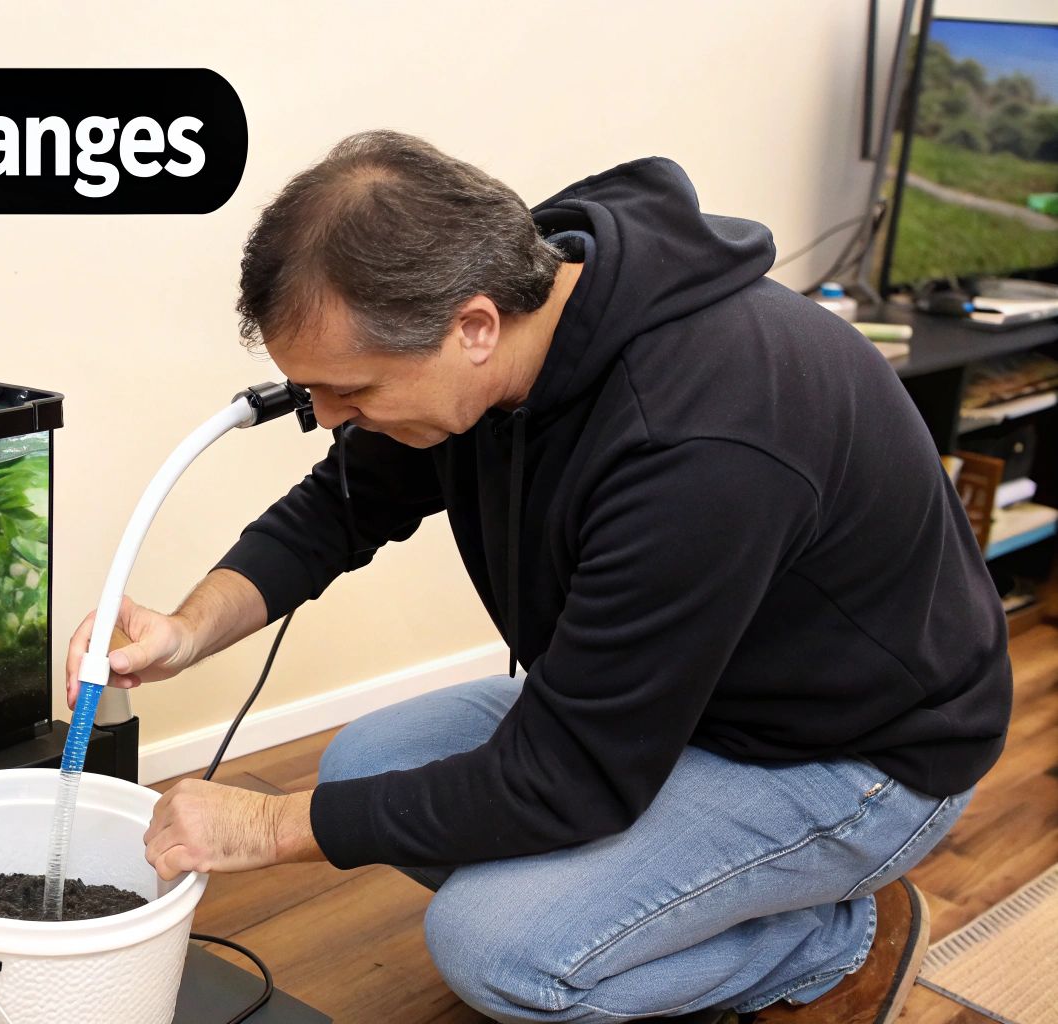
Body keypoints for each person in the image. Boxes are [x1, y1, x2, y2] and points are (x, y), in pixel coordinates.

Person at [65, 131, 1012, 1024]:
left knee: (499, 951)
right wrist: (187, 629)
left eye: (350, 393)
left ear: (473, 327)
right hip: (674, 707)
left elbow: (570, 779)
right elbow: (342, 507)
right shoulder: (512, 308)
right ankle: (681, 897)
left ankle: (828, 936)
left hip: (855, 757)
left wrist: (266, 828)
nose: (330, 418)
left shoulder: (698, 440)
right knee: (362, 773)